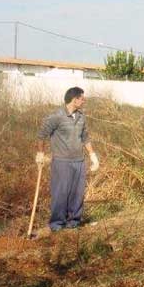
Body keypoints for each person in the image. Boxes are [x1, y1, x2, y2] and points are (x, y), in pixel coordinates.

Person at [36, 86, 99, 232]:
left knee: (77, 194)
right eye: (82, 98)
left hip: (79, 161)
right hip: (61, 162)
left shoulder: (82, 117)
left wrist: (92, 155)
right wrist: (40, 154)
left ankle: (74, 223)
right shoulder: (56, 116)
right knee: (61, 193)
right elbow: (41, 135)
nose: (84, 101)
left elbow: (85, 138)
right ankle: (57, 224)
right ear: (74, 99)